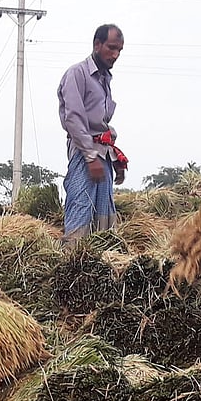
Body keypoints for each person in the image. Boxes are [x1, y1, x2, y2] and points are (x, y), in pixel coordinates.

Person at [58, 23, 127, 243]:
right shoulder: (77, 74)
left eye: (119, 51)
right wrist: (89, 156)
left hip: (102, 154)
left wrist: (114, 159)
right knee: (81, 207)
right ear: (97, 45)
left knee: (103, 216)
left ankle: (100, 263)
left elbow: (102, 126)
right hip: (84, 152)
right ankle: (73, 262)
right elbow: (74, 118)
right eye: (111, 48)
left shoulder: (105, 80)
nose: (115, 55)